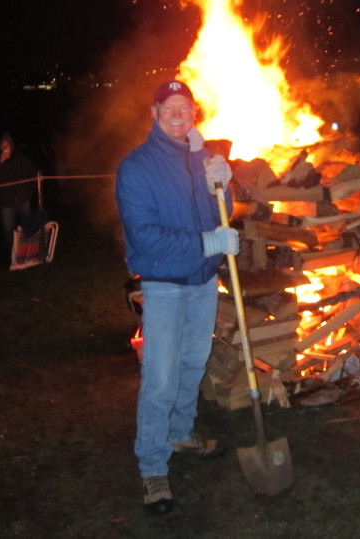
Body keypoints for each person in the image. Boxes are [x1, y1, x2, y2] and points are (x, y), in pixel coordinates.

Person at [115, 80, 238, 515]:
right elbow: (145, 237)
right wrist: (209, 243)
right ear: (154, 113)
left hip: (202, 282)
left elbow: (220, 212)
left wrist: (223, 187)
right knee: (161, 376)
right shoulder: (136, 167)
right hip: (165, 285)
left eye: (184, 107)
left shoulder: (201, 158)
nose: (177, 114)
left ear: (194, 114)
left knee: (193, 363)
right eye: (168, 107)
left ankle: (181, 433)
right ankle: (152, 465)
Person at [0, 133, 37, 265]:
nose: (5, 148)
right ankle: (13, 258)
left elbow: (32, 175)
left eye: (7, 145)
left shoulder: (21, 159)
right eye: (2, 146)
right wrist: (0, 162)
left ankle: (30, 254)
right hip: (6, 202)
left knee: (27, 226)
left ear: (11, 145)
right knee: (9, 231)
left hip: (23, 199)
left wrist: (28, 192)